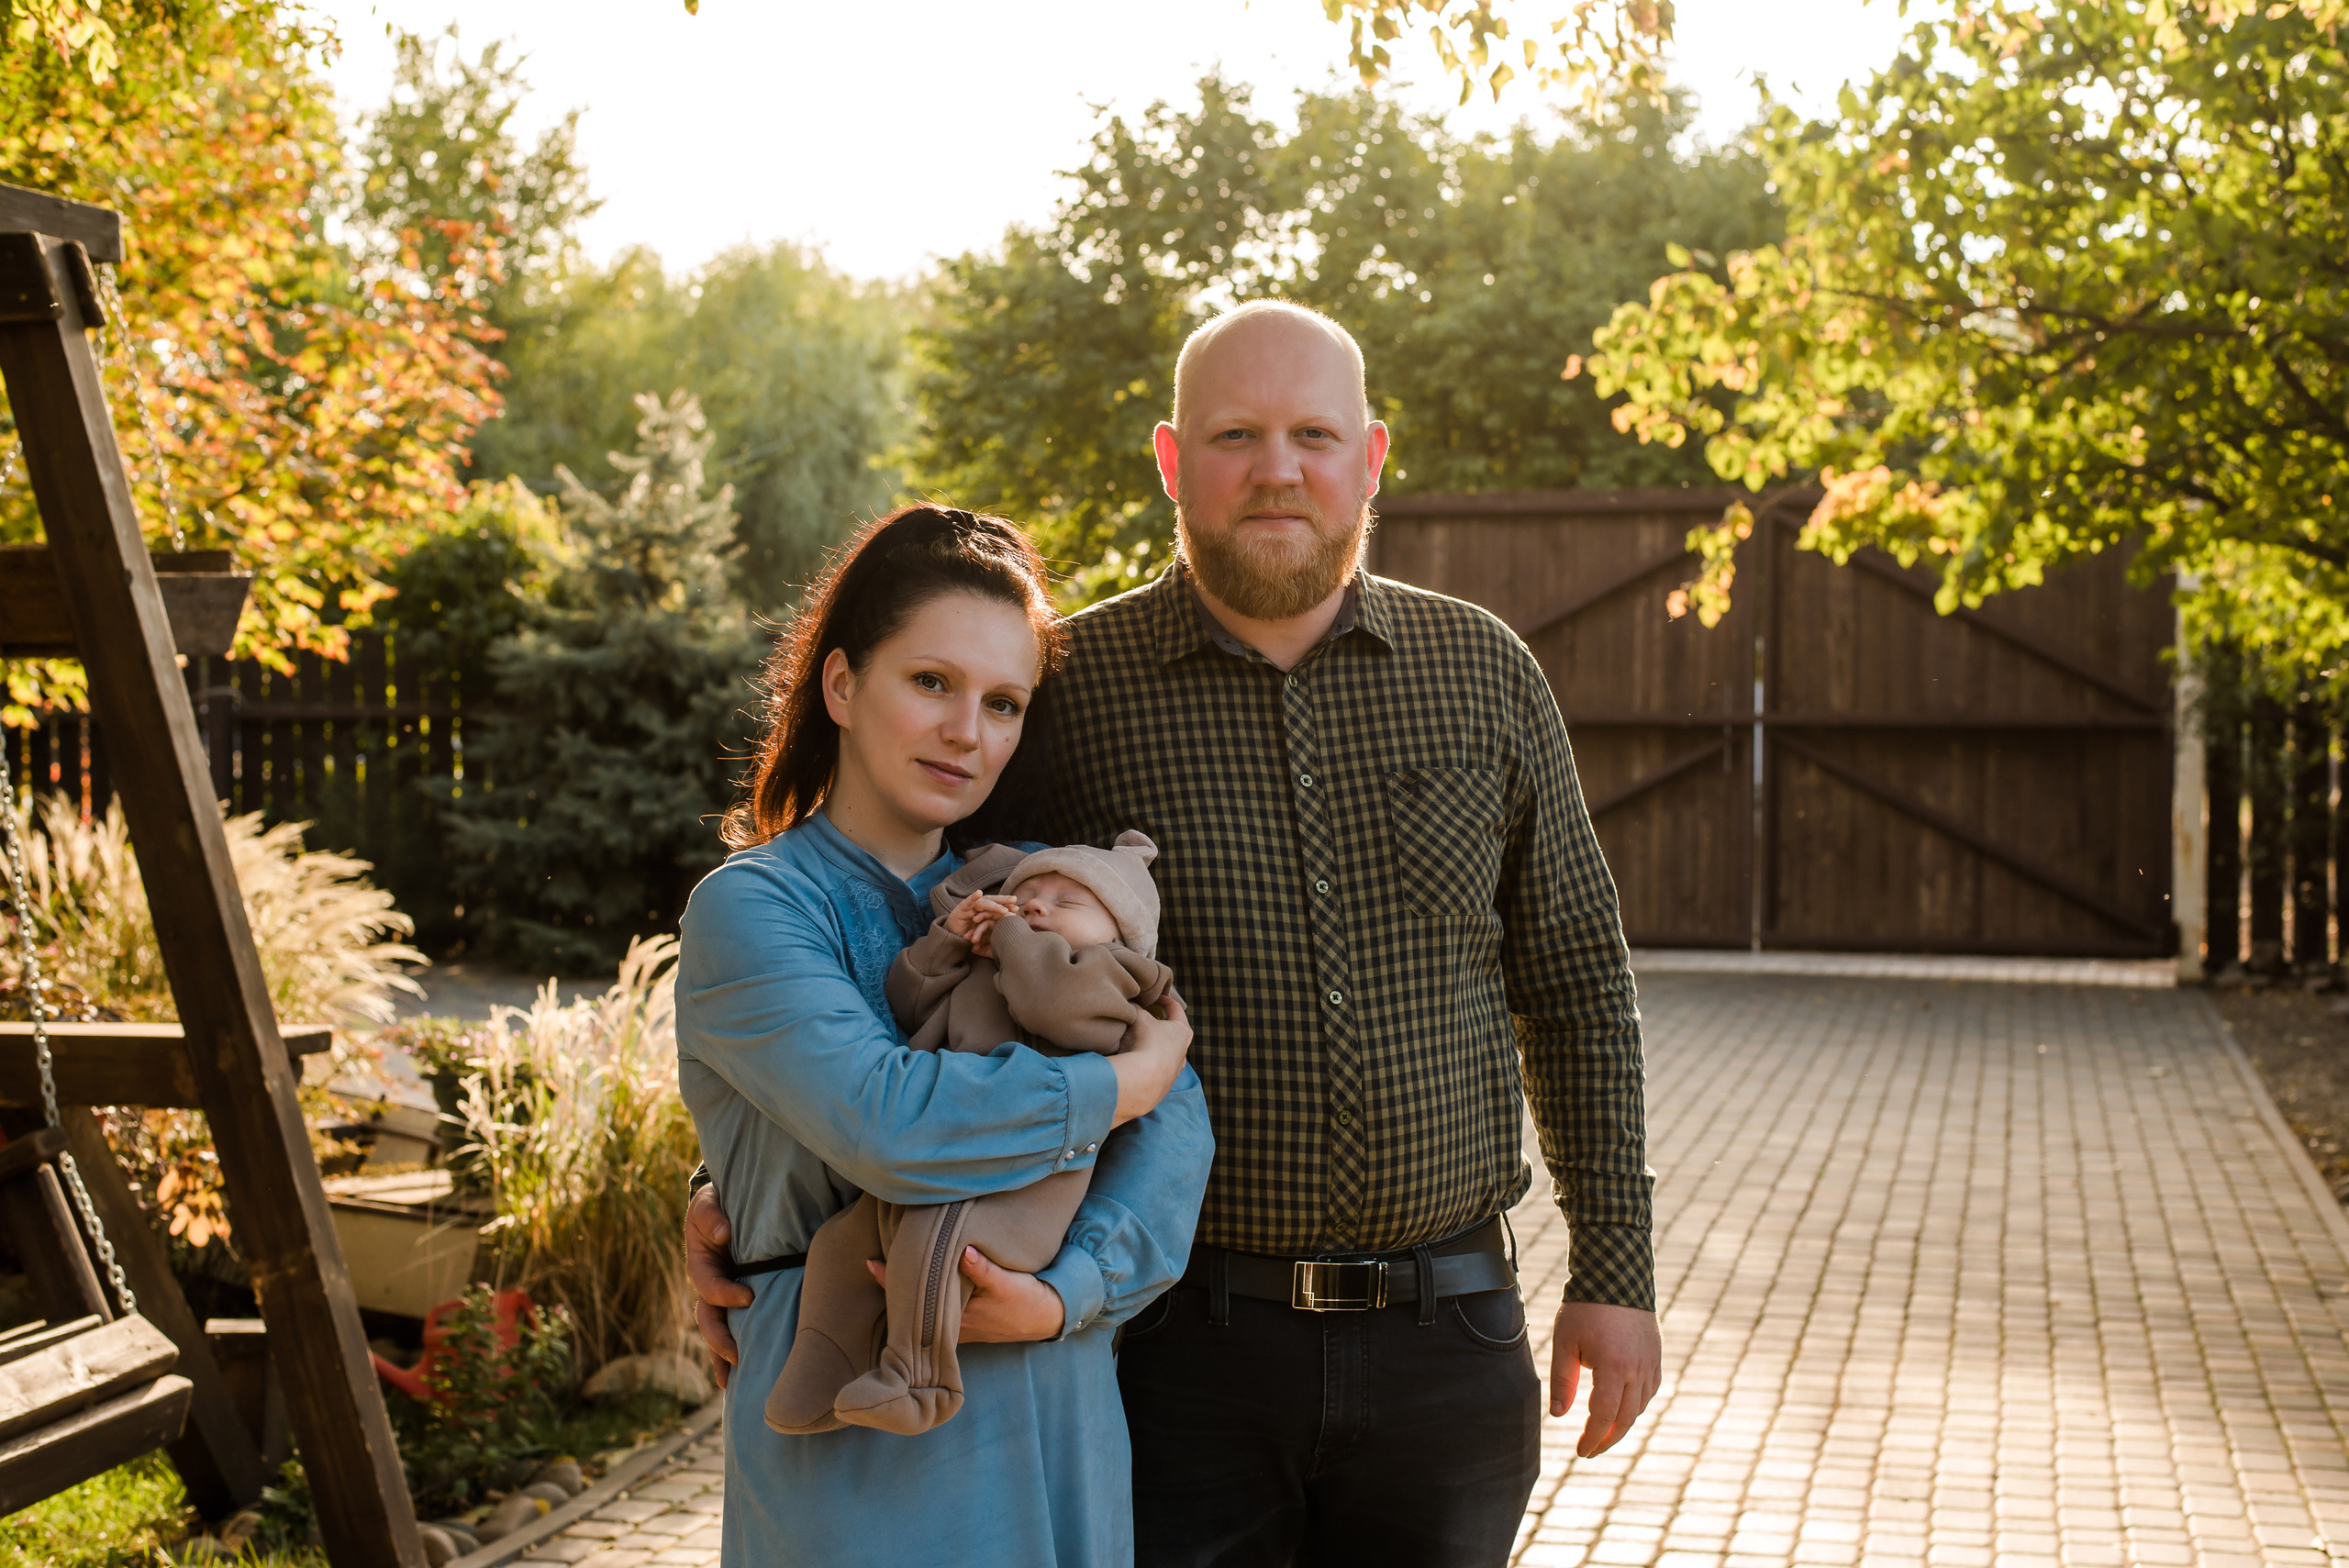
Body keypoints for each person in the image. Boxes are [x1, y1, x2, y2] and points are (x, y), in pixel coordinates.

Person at [691, 303, 1661, 1566]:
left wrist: (1617, 1269)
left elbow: (1579, 980)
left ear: (1370, 457)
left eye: (1314, 433)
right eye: (1235, 433)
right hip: (1182, 1350)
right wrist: (739, 1183)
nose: (1278, 467)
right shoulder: (1066, 694)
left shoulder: (1483, 674)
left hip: (1450, 1337)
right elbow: (909, 968)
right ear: (1170, 459)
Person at [677, 504, 1212, 1567]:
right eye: (932, 682)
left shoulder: (1034, 892)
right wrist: (1119, 1088)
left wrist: (1068, 1294)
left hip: (1059, 1407)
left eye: (1002, 701)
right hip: (853, 1424)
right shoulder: (757, 908)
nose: (969, 731)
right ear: (841, 685)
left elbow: (1175, 1144)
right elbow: (887, 1122)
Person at [769, 832, 1176, 1438]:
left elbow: (1051, 1004)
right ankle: (822, 1372)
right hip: (944, 1162)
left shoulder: (1112, 976)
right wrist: (950, 941)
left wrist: (1010, 935)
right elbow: (909, 1002)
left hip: (1021, 1190)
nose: (1038, 906)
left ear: (1120, 931)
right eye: (1028, 892)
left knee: (938, 1246)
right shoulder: (990, 963)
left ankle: (919, 1378)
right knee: (839, 1245)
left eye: (1068, 901)